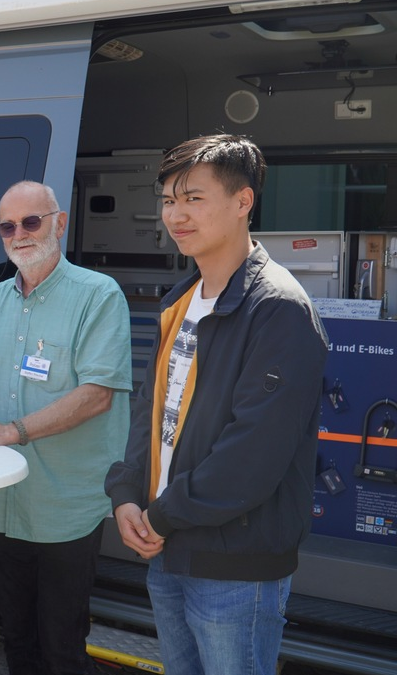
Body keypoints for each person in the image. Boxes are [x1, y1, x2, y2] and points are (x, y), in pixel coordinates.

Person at [105, 135, 328, 675]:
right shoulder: (181, 300)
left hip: (234, 568)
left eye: (193, 198)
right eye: (168, 200)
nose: (175, 215)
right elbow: (151, 410)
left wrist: (159, 516)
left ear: (243, 201)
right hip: (168, 549)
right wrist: (127, 493)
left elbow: (252, 454)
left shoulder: (279, 309)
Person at [0, 180, 132, 675]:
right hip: (4, 502)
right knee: (17, 641)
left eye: (31, 221)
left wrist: (10, 431)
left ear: (59, 223)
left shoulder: (98, 295)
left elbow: (97, 394)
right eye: (8, 226)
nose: (19, 234)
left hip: (65, 504)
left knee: (62, 648)